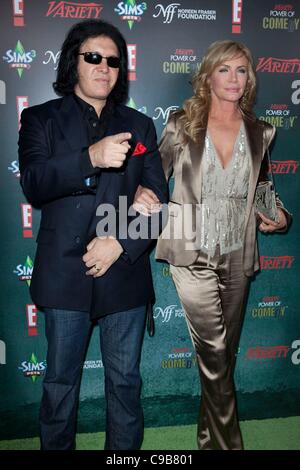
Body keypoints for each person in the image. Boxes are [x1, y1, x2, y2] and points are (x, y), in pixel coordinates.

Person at [18, 19, 168, 450]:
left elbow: (159, 202)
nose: (104, 67)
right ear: (74, 62)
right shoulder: (40, 118)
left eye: (114, 61)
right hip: (65, 277)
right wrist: (90, 158)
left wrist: (120, 242)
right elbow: (35, 182)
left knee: (125, 386)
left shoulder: (140, 126)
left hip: (125, 274)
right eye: (94, 57)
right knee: (60, 387)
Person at [135, 40, 292, 450]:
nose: (234, 79)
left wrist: (280, 216)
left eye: (242, 70)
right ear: (208, 75)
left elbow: (261, 187)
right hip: (191, 253)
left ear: (250, 78)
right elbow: (155, 176)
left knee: (221, 361)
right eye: (225, 70)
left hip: (238, 255)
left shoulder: (261, 131)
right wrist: (138, 199)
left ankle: (208, 441)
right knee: (215, 354)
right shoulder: (181, 124)